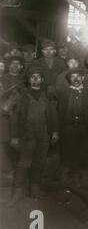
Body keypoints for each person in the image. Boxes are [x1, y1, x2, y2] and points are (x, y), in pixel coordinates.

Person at [6, 67, 59, 207]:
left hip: (44, 133)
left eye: (38, 77)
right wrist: (15, 136)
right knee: (23, 163)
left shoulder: (47, 95)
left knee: (39, 162)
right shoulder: (22, 95)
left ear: (42, 80)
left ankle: (34, 188)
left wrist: (54, 131)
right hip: (27, 133)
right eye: (32, 77)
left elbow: (53, 114)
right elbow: (15, 118)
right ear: (29, 80)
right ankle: (17, 192)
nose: (35, 79)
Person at [58, 68, 88, 186]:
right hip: (68, 128)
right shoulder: (64, 92)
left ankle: (84, 178)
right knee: (69, 152)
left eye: (78, 76)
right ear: (69, 79)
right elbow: (60, 111)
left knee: (84, 152)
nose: (75, 79)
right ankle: (69, 178)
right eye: (73, 77)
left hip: (84, 128)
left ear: (82, 78)